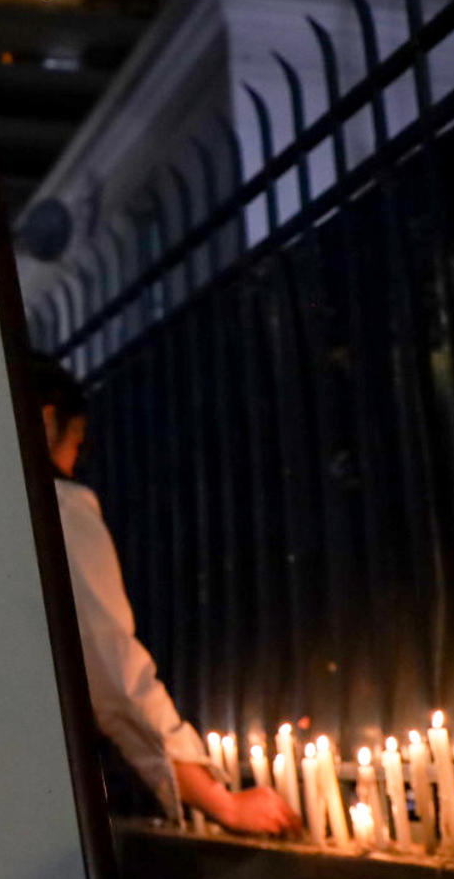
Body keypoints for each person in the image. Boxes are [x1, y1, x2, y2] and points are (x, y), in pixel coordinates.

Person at [31, 354, 298, 836]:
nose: (74, 463)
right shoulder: (56, 509)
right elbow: (113, 671)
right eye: (77, 445)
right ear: (46, 420)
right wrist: (219, 801)